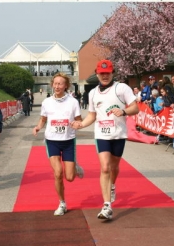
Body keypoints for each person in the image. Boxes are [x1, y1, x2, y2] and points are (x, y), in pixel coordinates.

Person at [71, 59, 139, 220]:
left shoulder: (122, 88)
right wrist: (81, 124)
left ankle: (112, 186)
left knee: (114, 167)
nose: (105, 76)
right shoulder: (93, 93)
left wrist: (123, 112)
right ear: (97, 74)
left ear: (112, 73)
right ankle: (107, 205)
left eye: (107, 73)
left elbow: (135, 108)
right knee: (105, 167)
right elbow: (92, 116)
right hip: (102, 134)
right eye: (102, 74)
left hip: (118, 134)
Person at [32, 72, 84, 216]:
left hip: (68, 140)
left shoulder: (73, 102)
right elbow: (43, 119)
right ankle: (62, 203)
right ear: (51, 85)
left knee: (69, 177)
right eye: (55, 83)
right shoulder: (46, 102)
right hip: (52, 140)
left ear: (66, 85)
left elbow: (79, 119)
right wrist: (37, 127)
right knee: (57, 173)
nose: (57, 86)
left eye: (60, 83)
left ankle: (75, 166)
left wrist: (77, 124)